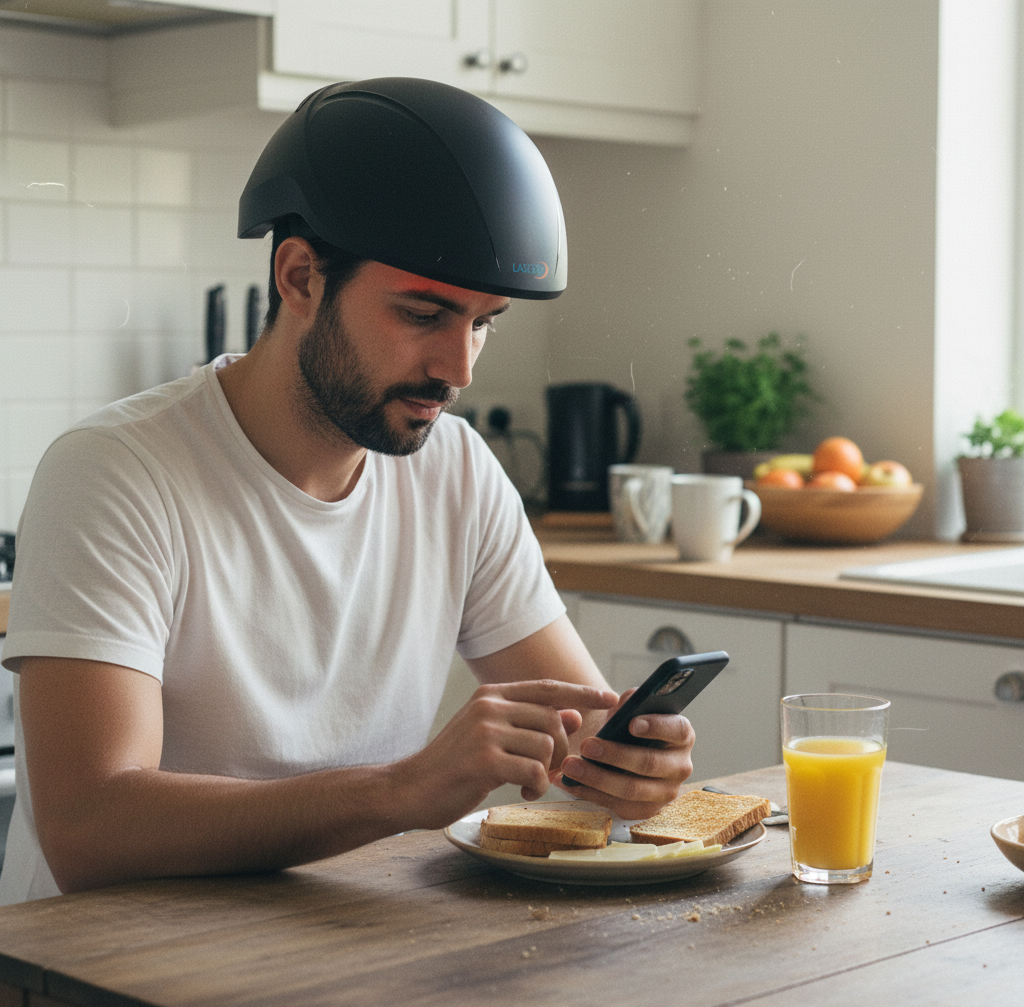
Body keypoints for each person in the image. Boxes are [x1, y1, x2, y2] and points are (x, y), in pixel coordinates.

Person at [0, 79, 695, 904]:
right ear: (299, 277)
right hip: (101, 977)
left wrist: (627, 764)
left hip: (338, 947)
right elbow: (87, 827)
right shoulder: (116, 472)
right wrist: (400, 792)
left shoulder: (458, 471)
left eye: (482, 323)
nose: (459, 369)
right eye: (423, 314)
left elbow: (583, 739)